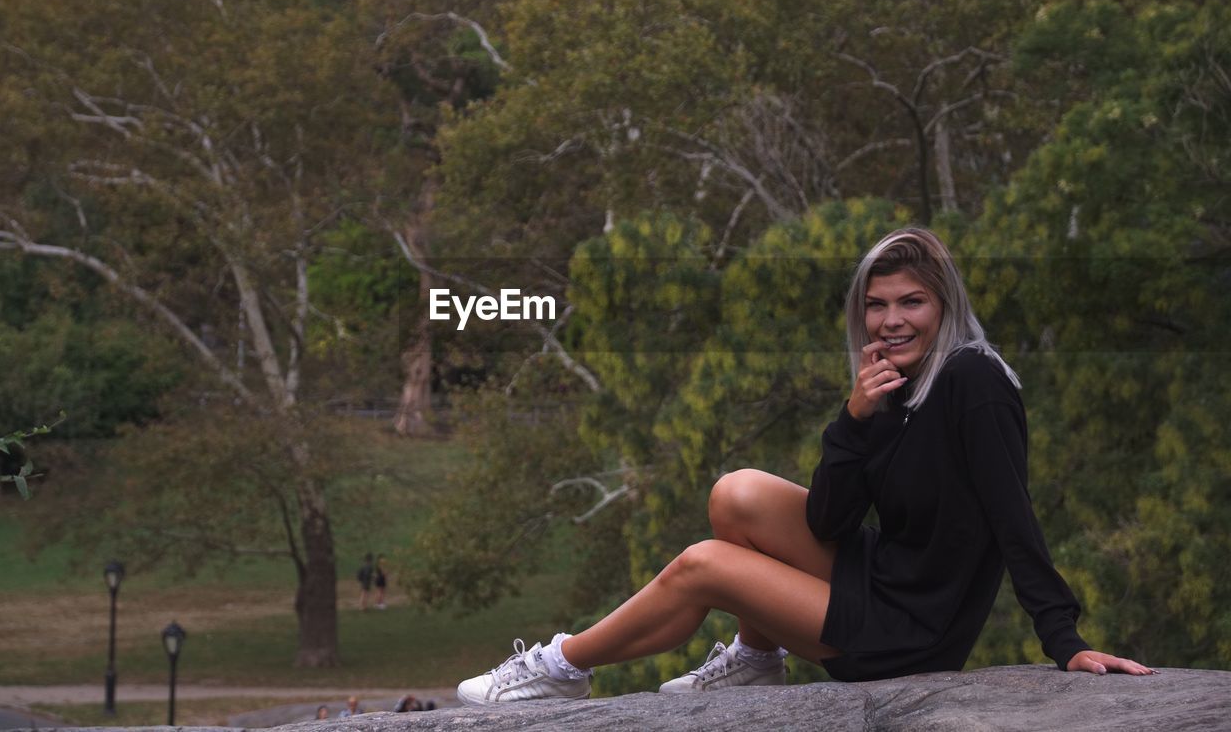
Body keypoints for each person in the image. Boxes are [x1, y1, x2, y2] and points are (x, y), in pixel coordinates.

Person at [456, 227, 1155, 705]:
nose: (891, 321)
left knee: (704, 565)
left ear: (946, 306)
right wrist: (853, 420)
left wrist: (1064, 640)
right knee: (736, 495)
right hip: (884, 578)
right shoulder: (891, 387)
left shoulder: (974, 382)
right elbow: (830, 519)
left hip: (909, 631)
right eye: (876, 305)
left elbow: (1013, 517)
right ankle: (757, 660)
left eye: (912, 301)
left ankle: (560, 667)